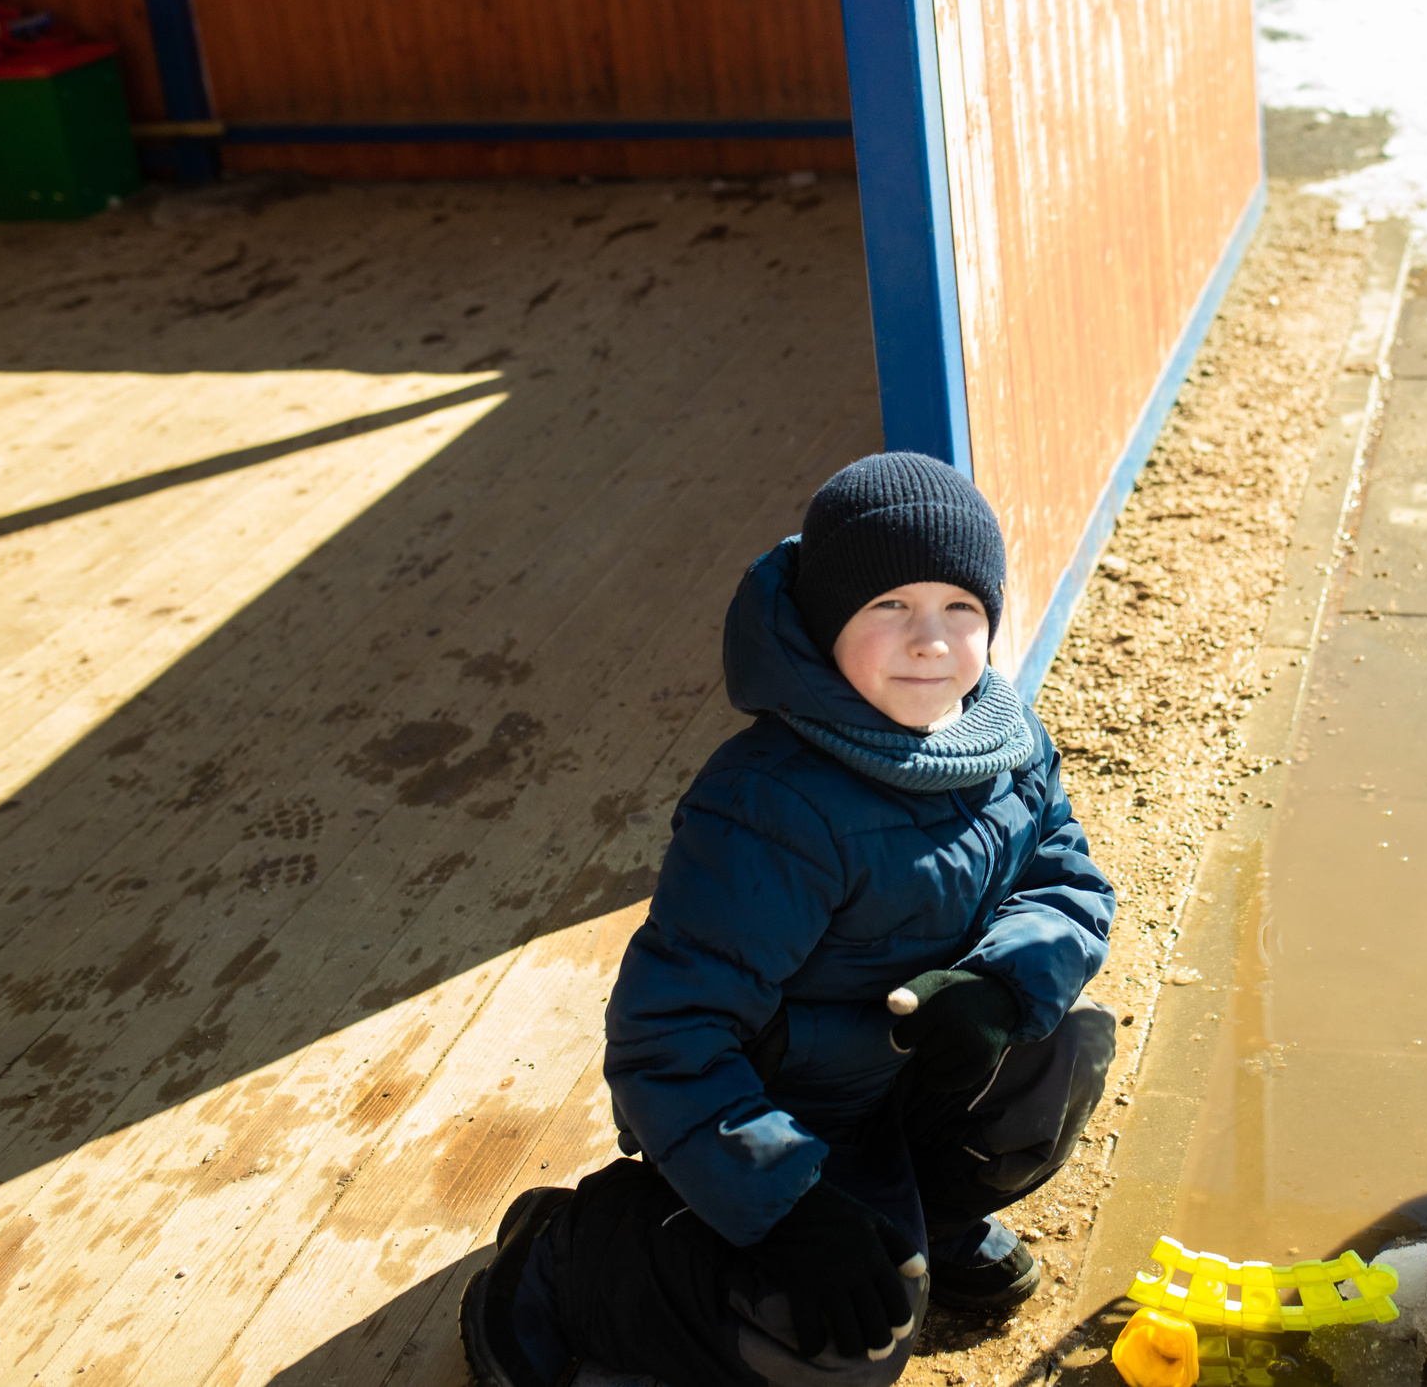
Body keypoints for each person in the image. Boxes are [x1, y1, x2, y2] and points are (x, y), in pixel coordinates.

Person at [460, 453, 1117, 1387]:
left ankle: (923, 1218)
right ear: (823, 620)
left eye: (960, 607)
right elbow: (665, 1038)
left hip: (897, 1082)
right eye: (889, 605)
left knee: (1060, 1049)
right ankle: (574, 1255)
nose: (930, 640)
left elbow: (1068, 876)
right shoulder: (769, 805)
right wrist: (791, 1207)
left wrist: (1001, 987)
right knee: (844, 1352)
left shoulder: (1003, 740)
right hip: (781, 1113)